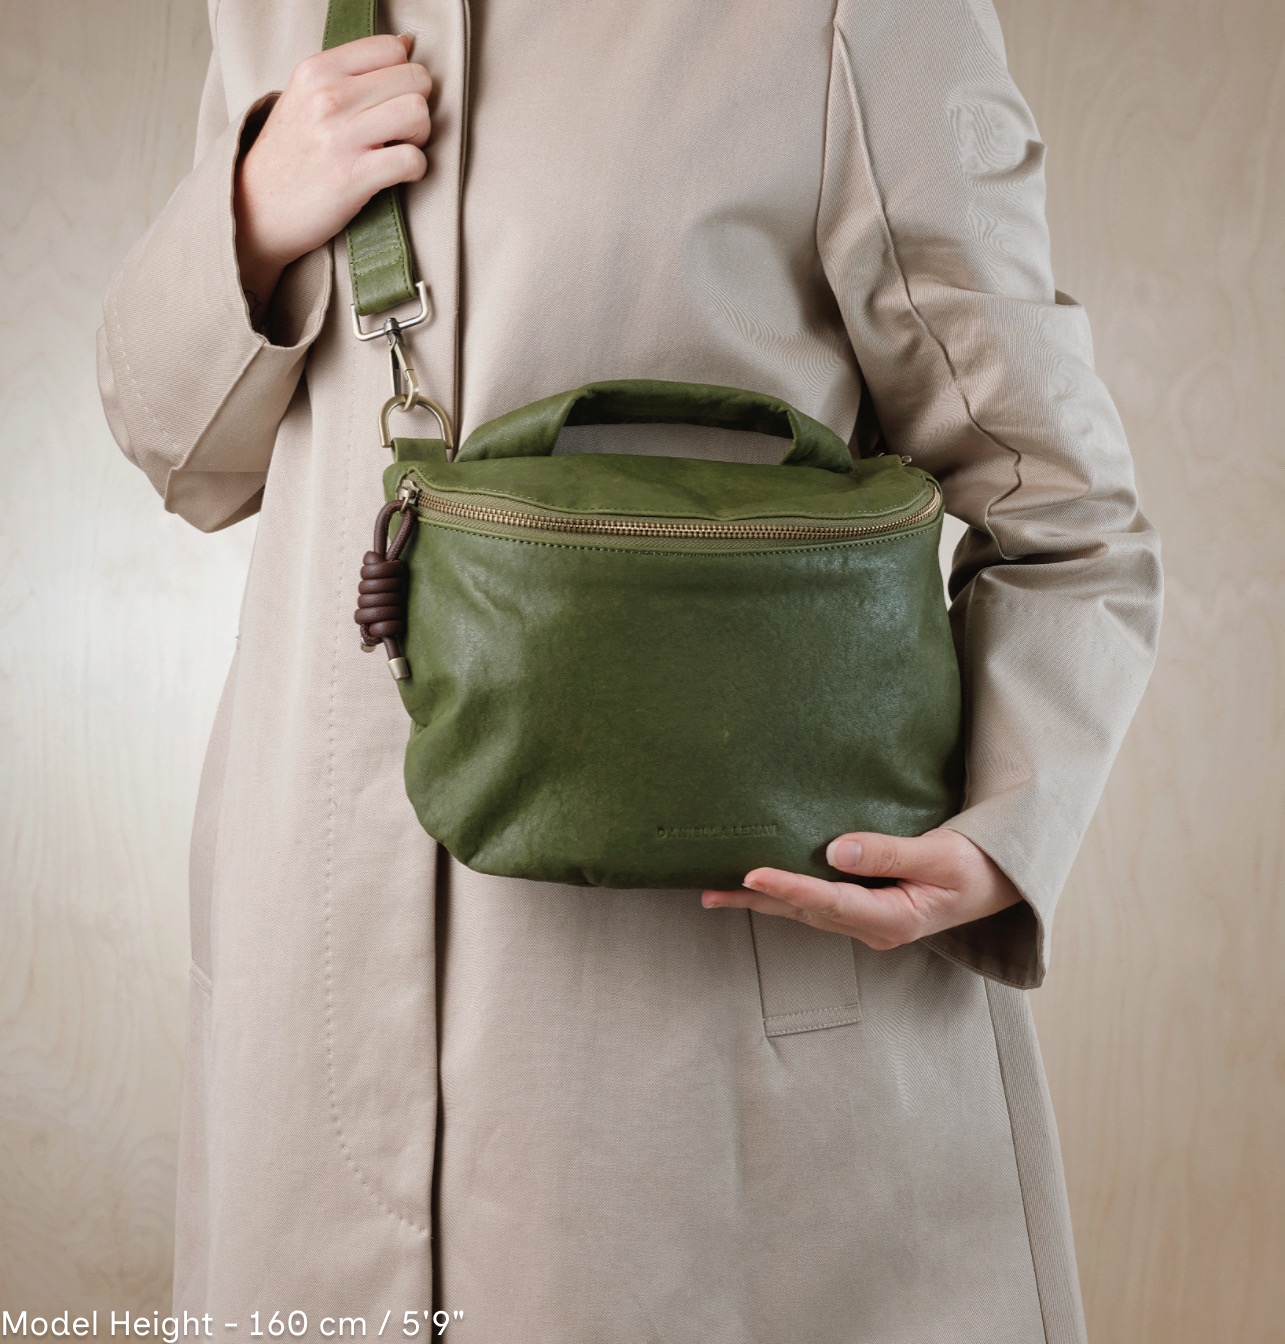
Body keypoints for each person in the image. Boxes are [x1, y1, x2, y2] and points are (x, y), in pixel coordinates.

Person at [97, 1, 1163, 1340]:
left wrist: (1003, 832)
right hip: (304, 1013)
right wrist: (251, 215)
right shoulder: (278, 13)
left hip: (695, 1065)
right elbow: (183, 456)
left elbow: (1065, 514)